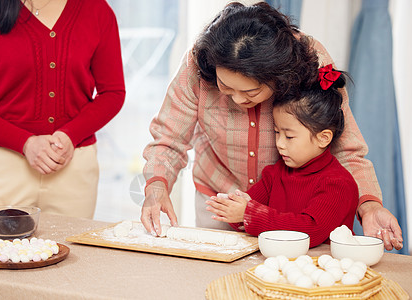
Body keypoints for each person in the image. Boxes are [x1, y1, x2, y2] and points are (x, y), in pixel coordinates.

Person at [141, 2, 402, 251]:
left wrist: (368, 205)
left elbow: (345, 147)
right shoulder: (199, 64)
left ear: (279, 77)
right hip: (222, 197)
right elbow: (168, 138)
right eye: (226, 88)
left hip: (292, 207)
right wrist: (156, 186)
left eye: (251, 91)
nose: (238, 100)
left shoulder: (311, 62)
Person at [0, 0, 125, 218]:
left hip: (73, 167)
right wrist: (25, 143)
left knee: (73, 252)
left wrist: (70, 135)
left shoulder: (97, 10)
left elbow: (113, 93)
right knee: (1, 252)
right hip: (4, 168)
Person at [206, 65, 359, 247]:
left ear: (323, 138)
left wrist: (249, 212)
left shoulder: (338, 183)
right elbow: (245, 216)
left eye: (289, 136)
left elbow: (311, 231)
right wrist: (234, 206)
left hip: (322, 268)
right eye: (277, 132)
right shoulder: (275, 173)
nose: (279, 143)